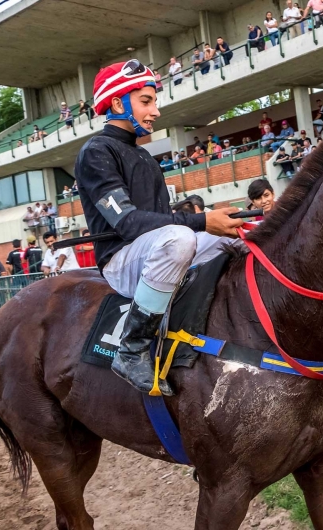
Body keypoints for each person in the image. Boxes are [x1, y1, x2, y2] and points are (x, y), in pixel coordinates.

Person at [75, 60, 244, 395]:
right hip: (122, 259)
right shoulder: (96, 151)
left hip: (157, 250)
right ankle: (132, 349)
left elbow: (162, 221)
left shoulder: (146, 157)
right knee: (180, 238)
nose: (156, 110)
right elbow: (129, 222)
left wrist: (215, 223)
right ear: (118, 103)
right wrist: (201, 221)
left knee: (241, 237)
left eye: (154, 101)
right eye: (146, 101)